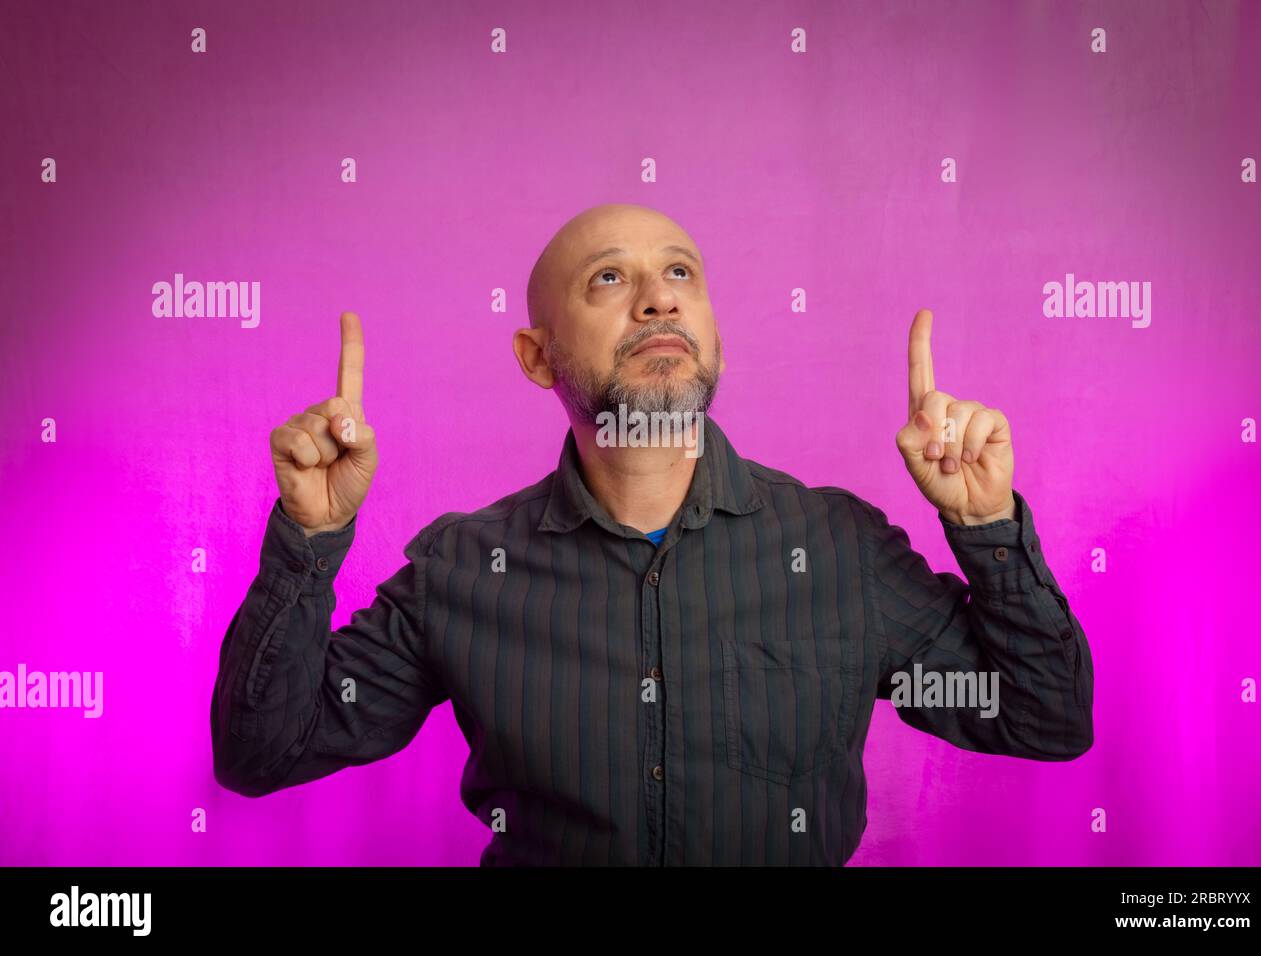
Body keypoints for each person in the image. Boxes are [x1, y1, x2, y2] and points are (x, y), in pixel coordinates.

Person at [210, 202, 1094, 866]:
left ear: (711, 329)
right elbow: (264, 752)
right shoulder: (464, 569)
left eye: (681, 275)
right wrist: (306, 538)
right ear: (536, 355)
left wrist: (983, 526)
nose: (656, 302)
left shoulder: (839, 547)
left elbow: (1044, 717)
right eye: (609, 279)